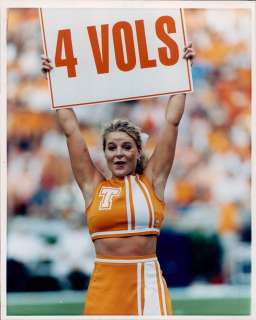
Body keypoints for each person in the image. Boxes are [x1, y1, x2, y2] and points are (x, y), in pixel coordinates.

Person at [41, 43, 195, 315]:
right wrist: (54, 80)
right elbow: (70, 130)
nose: (119, 154)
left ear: (138, 151)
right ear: (105, 153)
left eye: (126, 147)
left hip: (146, 287)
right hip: (104, 290)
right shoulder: (93, 185)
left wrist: (183, 73)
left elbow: (171, 122)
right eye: (112, 147)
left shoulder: (152, 182)